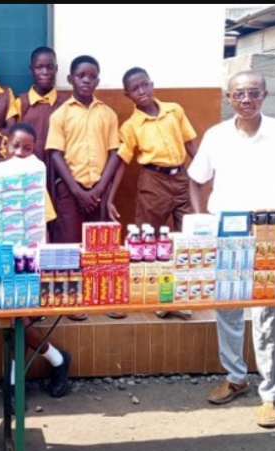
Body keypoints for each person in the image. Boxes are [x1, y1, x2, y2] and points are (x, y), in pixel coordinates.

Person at [187, 70, 275, 429]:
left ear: (265, 94)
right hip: (226, 233)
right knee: (228, 309)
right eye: (239, 94)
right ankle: (235, 377)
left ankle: (270, 395)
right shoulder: (216, 136)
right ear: (228, 97)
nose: (246, 99)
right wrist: (203, 221)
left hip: (267, 232)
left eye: (253, 93)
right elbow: (196, 180)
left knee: (266, 315)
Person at [109, 67, 198, 321]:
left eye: (144, 85)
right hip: (153, 182)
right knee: (148, 241)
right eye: (134, 89)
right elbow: (122, 162)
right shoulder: (131, 126)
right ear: (127, 95)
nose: (141, 91)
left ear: (152, 84)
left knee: (188, 238)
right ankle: (156, 297)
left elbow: (191, 144)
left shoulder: (174, 111)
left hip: (181, 179)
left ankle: (181, 296)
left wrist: (205, 175)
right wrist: (110, 198)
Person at [45, 55, 123, 321]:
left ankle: (103, 297)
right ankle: (71, 298)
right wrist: (78, 191)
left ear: (98, 80)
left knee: (101, 246)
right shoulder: (61, 114)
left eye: (92, 76)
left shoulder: (107, 114)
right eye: (81, 76)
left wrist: (99, 189)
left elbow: (115, 152)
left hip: (99, 188)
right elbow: (55, 154)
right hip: (70, 189)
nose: (87, 81)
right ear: (70, 79)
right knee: (69, 243)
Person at [4, 123, 72, 401]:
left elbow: (43, 227)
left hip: (27, 260)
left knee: (18, 318)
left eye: (27, 148)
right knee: (12, 319)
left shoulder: (34, 183)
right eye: (15, 146)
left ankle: (14, 383)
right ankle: (57, 359)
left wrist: (40, 262)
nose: (20, 152)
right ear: (5, 145)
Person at [11, 46, 68, 227]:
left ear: (56, 69)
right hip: (29, 169)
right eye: (39, 67)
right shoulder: (21, 103)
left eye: (50, 67)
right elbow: (10, 141)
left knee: (59, 219)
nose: (45, 72)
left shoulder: (66, 104)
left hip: (59, 169)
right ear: (31, 69)